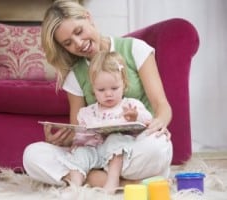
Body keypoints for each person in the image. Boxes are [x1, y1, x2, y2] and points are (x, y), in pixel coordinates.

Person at [23, 0, 172, 190]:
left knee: (157, 148)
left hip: (135, 147)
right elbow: (79, 131)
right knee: (33, 154)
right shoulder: (75, 75)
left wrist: (160, 122)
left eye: (78, 32)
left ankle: (95, 178)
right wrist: (63, 139)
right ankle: (128, 184)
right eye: (68, 43)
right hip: (96, 151)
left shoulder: (135, 49)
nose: (78, 44)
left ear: (88, 18)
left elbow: (162, 105)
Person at [60, 51, 153, 194]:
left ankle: (112, 181)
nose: (108, 94)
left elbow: (148, 120)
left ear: (124, 84)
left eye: (114, 88)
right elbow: (81, 135)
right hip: (96, 151)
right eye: (101, 90)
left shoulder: (130, 105)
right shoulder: (88, 112)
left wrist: (136, 116)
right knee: (80, 153)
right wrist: (79, 140)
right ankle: (75, 186)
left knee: (115, 139)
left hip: (121, 156)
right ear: (93, 89)